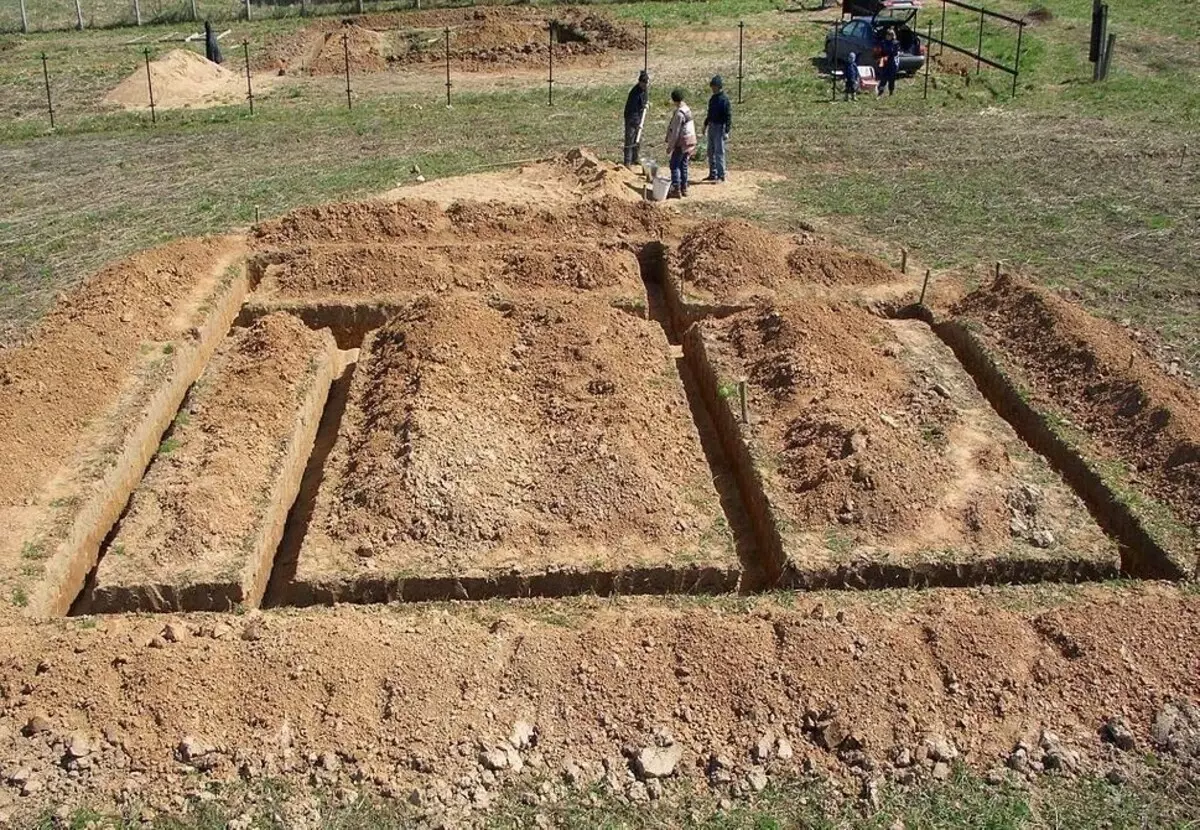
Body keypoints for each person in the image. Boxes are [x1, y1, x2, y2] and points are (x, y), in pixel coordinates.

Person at [664, 88, 697, 198]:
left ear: (675, 100)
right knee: (683, 164)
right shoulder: (687, 110)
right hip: (690, 140)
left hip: (681, 142)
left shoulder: (679, 114)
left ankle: (676, 188)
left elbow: (676, 133)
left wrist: (670, 146)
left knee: (674, 165)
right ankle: (684, 187)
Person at [701, 75, 732, 183]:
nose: (712, 89)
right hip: (711, 126)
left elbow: (728, 116)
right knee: (710, 151)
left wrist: (727, 130)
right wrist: (705, 125)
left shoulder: (724, 100)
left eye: (714, 87)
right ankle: (712, 173)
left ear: (719, 87)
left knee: (719, 152)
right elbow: (709, 113)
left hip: (720, 127)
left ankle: (721, 175)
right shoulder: (713, 99)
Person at [622, 71, 650, 167]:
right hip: (631, 118)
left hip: (639, 118)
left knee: (637, 140)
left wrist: (646, 104)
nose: (645, 86)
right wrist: (637, 122)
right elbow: (633, 109)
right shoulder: (635, 93)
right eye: (644, 84)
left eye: (646, 84)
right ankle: (627, 162)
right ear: (640, 82)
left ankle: (635, 158)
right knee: (630, 139)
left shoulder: (644, 90)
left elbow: (644, 101)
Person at [877, 28, 899, 96]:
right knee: (883, 77)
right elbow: (881, 51)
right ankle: (880, 92)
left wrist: (891, 52)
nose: (888, 36)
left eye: (890, 35)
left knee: (891, 78)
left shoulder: (895, 43)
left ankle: (891, 92)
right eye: (887, 35)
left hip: (892, 62)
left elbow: (895, 53)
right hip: (884, 62)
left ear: (892, 36)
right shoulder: (883, 42)